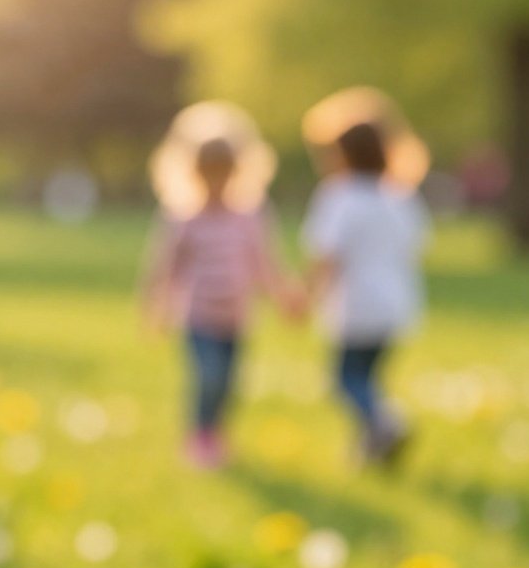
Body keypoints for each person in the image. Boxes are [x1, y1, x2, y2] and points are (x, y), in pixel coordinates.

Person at [144, 102, 298, 469]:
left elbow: (264, 262)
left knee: (230, 384)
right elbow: (166, 266)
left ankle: (216, 433)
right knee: (209, 377)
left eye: (223, 173)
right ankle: (199, 435)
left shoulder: (249, 216)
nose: (216, 182)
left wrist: (282, 294)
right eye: (208, 174)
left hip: (236, 316)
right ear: (192, 174)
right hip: (198, 315)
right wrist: (157, 307)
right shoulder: (184, 216)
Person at [301, 92, 430, 464]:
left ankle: (386, 423)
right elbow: (417, 243)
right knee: (369, 378)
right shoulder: (400, 196)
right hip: (396, 304)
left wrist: (307, 296)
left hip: (356, 305)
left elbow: (326, 256)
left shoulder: (339, 197)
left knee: (345, 381)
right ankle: (371, 447)